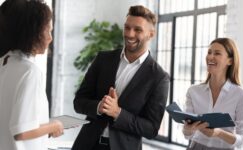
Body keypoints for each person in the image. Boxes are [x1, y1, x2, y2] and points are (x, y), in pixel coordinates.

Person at [71, 5, 170, 150]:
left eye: (138, 30)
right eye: (127, 27)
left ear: (151, 34)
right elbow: (78, 101)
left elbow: (151, 129)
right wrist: (99, 107)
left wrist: (118, 113)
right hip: (87, 144)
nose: (129, 34)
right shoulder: (103, 59)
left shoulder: (159, 77)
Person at [0, 1, 64, 150]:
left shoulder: (4, 64)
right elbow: (22, 132)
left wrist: (45, 129)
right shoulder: (29, 72)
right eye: (48, 31)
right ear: (32, 32)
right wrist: (54, 125)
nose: (50, 38)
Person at [182, 38, 243, 150]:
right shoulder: (193, 91)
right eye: (209, 52)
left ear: (230, 61)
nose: (210, 57)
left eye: (217, 53)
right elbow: (187, 134)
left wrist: (219, 133)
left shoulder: (241, 95)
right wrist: (188, 129)